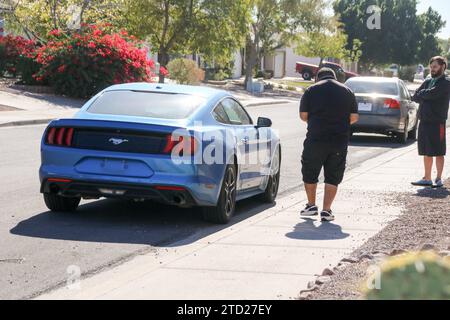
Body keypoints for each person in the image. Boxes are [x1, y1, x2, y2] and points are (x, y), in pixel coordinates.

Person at [299, 68, 359, 222]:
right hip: (339, 140)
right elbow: (354, 117)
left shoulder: (311, 90)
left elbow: (303, 115)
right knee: (333, 175)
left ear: (317, 78)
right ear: (334, 77)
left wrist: (316, 122)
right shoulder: (347, 91)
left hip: (316, 139)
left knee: (310, 171)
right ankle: (326, 210)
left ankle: (311, 206)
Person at [412, 56, 450, 188]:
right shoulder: (428, 80)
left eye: (435, 67)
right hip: (424, 121)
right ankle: (427, 178)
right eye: (431, 67)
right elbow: (415, 95)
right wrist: (423, 94)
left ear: (442, 67)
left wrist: (423, 94)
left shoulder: (446, 82)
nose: (432, 69)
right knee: (426, 151)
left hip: (437, 122)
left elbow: (433, 94)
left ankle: (438, 179)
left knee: (438, 151)